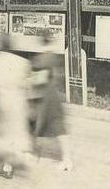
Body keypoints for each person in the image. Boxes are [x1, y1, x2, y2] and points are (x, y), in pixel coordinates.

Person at [0, 40, 33, 180]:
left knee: (5, 134)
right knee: (18, 131)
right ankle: (22, 158)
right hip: (19, 100)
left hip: (4, 100)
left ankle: (8, 167)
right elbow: (28, 84)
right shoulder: (23, 62)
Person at [28, 33, 72, 172]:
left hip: (43, 97)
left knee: (33, 125)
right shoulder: (53, 56)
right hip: (54, 95)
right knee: (59, 128)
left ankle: (32, 154)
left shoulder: (40, 59)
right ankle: (67, 160)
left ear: (40, 43)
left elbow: (38, 80)